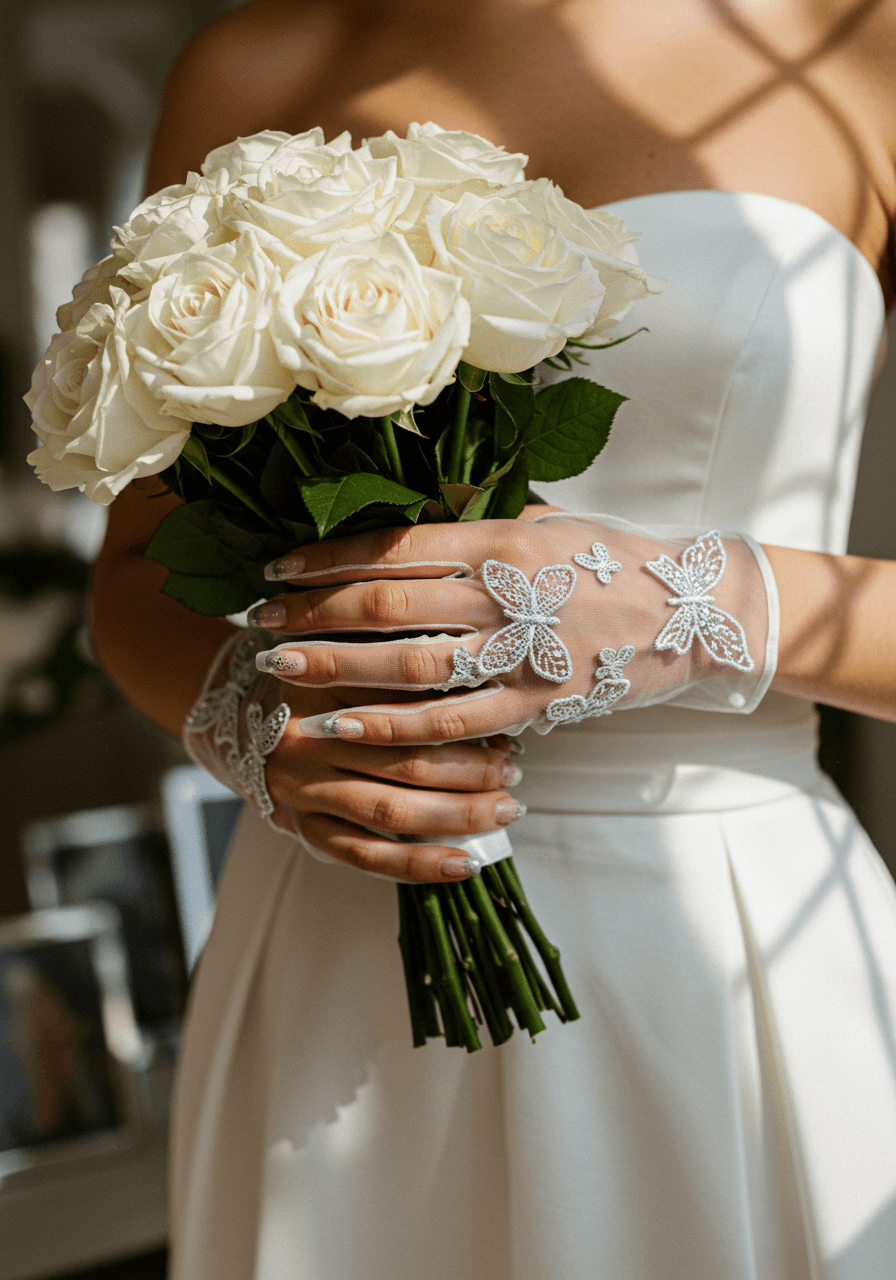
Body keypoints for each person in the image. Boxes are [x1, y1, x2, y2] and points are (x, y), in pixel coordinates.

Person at [90, 0, 896, 1276]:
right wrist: (265, 715)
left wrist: (706, 602)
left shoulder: (859, 45)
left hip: (718, 943)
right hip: (333, 929)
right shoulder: (252, 63)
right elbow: (138, 571)